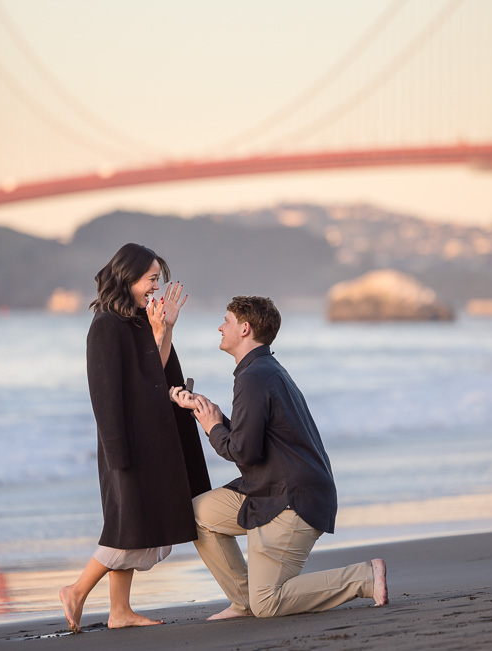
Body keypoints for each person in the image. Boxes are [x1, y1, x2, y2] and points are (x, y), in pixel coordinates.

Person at [170, 295, 387, 620]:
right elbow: (253, 439)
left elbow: (243, 450)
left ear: (244, 328)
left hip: (290, 500)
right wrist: (212, 415)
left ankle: (364, 577)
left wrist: (213, 427)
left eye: (226, 321)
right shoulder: (262, 370)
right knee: (199, 514)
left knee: (268, 603)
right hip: (268, 490)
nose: (220, 326)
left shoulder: (254, 377)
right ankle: (244, 601)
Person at [59, 243, 211, 633]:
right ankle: (76, 590)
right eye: (151, 280)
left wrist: (166, 329)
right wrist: (117, 454)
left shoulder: (139, 320)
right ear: (128, 277)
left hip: (147, 443)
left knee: (136, 525)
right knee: (128, 528)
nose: (155, 289)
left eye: (158, 280)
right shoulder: (105, 326)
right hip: (124, 445)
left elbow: (154, 379)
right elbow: (105, 396)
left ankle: (119, 611)